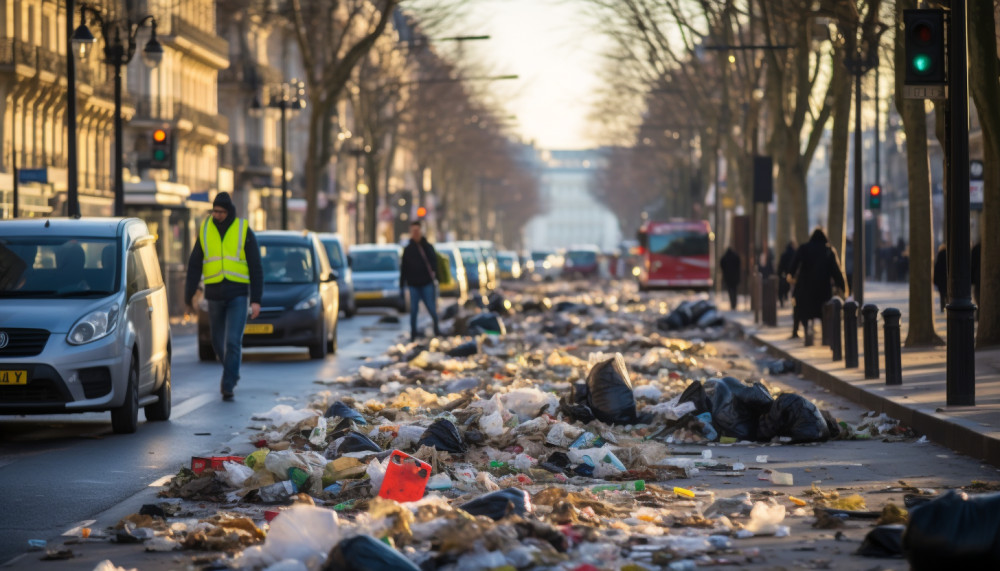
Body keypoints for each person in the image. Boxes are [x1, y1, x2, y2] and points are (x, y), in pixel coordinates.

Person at [185, 192, 263, 401]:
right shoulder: (205, 229)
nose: (216, 215)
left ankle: (228, 383)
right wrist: (189, 294)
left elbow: (255, 266)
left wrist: (256, 300)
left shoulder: (243, 229)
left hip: (238, 295)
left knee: (233, 341)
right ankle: (232, 370)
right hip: (214, 295)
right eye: (214, 211)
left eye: (220, 212)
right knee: (216, 341)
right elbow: (194, 264)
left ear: (228, 212)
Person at [789, 228, 846, 345]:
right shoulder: (828, 250)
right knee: (824, 313)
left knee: (803, 310)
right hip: (823, 289)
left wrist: (790, 275)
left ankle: (805, 333)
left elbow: (793, 265)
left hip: (805, 288)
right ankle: (826, 339)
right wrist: (843, 287)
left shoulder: (804, 248)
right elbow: (836, 271)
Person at [400, 221, 441, 341]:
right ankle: (413, 334)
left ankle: (437, 331)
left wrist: (436, 278)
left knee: (431, 308)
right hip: (413, 285)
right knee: (414, 311)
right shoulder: (408, 249)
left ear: (421, 231)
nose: (415, 233)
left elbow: (434, 264)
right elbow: (404, 268)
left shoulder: (427, 247)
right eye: (413, 231)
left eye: (417, 230)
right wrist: (402, 284)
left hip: (426, 284)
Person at [719, 246, 741, 311]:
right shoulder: (735, 256)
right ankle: (734, 303)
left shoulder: (725, 257)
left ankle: (732, 303)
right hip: (735, 277)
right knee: (734, 291)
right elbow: (739, 264)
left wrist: (725, 271)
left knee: (730, 291)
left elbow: (721, 264)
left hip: (728, 277)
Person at [776, 241, 796, 308]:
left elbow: (780, 266)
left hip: (785, 275)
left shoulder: (784, 255)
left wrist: (779, 274)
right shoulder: (795, 254)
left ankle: (782, 301)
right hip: (793, 276)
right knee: (793, 292)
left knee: (782, 290)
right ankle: (793, 305)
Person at [933, 244, 948, 313]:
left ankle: (942, 308)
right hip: (947, 279)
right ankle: (948, 307)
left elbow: (937, 269)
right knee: (948, 294)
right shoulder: (949, 256)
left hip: (941, 280)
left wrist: (935, 281)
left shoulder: (939, 256)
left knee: (942, 295)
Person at [971, 241, 981, 308]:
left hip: (978, 278)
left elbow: (972, 265)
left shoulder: (976, 248)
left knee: (978, 299)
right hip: (978, 277)